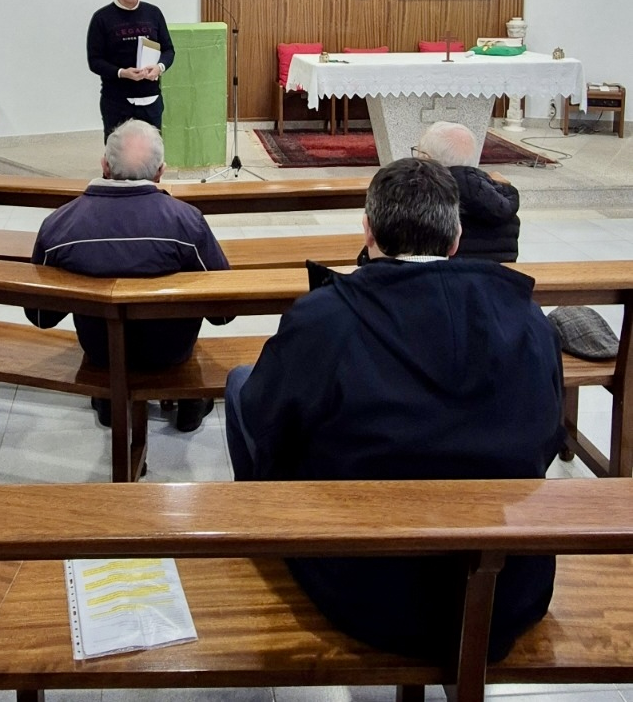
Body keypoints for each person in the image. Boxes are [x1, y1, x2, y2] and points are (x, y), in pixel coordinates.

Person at [225, 157, 563, 664]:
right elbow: (548, 437)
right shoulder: (526, 316)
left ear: (368, 232)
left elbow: (266, 417)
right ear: (455, 239)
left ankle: (263, 534)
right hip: (505, 587)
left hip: (364, 586)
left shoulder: (327, 317)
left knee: (239, 384)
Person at [25, 119, 230, 433]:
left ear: (105, 165)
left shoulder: (60, 224)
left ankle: (109, 400)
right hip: (170, 351)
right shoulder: (187, 222)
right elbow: (223, 312)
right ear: (161, 171)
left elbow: (41, 315)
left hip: (101, 350)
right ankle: (188, 399)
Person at [86, 0, 175, 141]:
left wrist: (159, 67)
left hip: (150, 98)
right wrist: (122, 73)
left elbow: (169, 50)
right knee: (118, 153)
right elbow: (95, 61)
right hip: (117, 100)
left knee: (151, 152)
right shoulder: (102, 18)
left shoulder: (154, 13)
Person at [415, 120, 521, 262]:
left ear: (426, 159)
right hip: (495, 281)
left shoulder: (417, 201)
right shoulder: (502, 202)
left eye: (418, 152)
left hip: (438, 281)